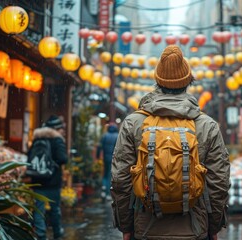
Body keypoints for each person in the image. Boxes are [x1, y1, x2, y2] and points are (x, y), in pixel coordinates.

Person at [111, 45, 230, 240]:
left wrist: (126, 227)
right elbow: (218, 183)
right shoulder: (207, 125)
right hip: (195, 229)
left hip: (145, 229)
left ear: (157, 80)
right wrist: (213, 226)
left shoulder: (134, 123)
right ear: (188, 81)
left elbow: (120, 181)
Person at [30, 115, 68, 240]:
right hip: (53, 181)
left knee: (38, 210)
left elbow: (30, 157)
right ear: (56, 128)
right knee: (54, 210)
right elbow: (63, 159)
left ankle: (41, 235)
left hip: (37, 180)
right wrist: (53, 164)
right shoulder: (57, 140)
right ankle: (57, 233)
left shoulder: (37, 138)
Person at [96, 122, 119, 201]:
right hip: (114, 158)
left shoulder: (104, 135)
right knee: (110, 174)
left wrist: (97, 156)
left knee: (105, 173)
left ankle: (103, 188)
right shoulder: (117, 136)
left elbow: (99, 147)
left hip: (105, 157)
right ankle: (108, 193)